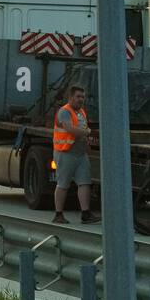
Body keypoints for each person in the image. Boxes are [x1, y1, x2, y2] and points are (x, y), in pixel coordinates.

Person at [51, 85, 100, 224]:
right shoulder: (64, 112)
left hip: (80, 154)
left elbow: (82, 130)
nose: (81, 99)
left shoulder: (81, 113)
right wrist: (87, 132)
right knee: (63, 184)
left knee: (85, 182)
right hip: (65, 153)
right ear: (70, 97)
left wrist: (87, 145)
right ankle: (58, 214)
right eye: (78, 96)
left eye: (83, 97)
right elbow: (70, 129)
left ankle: (85, 213)